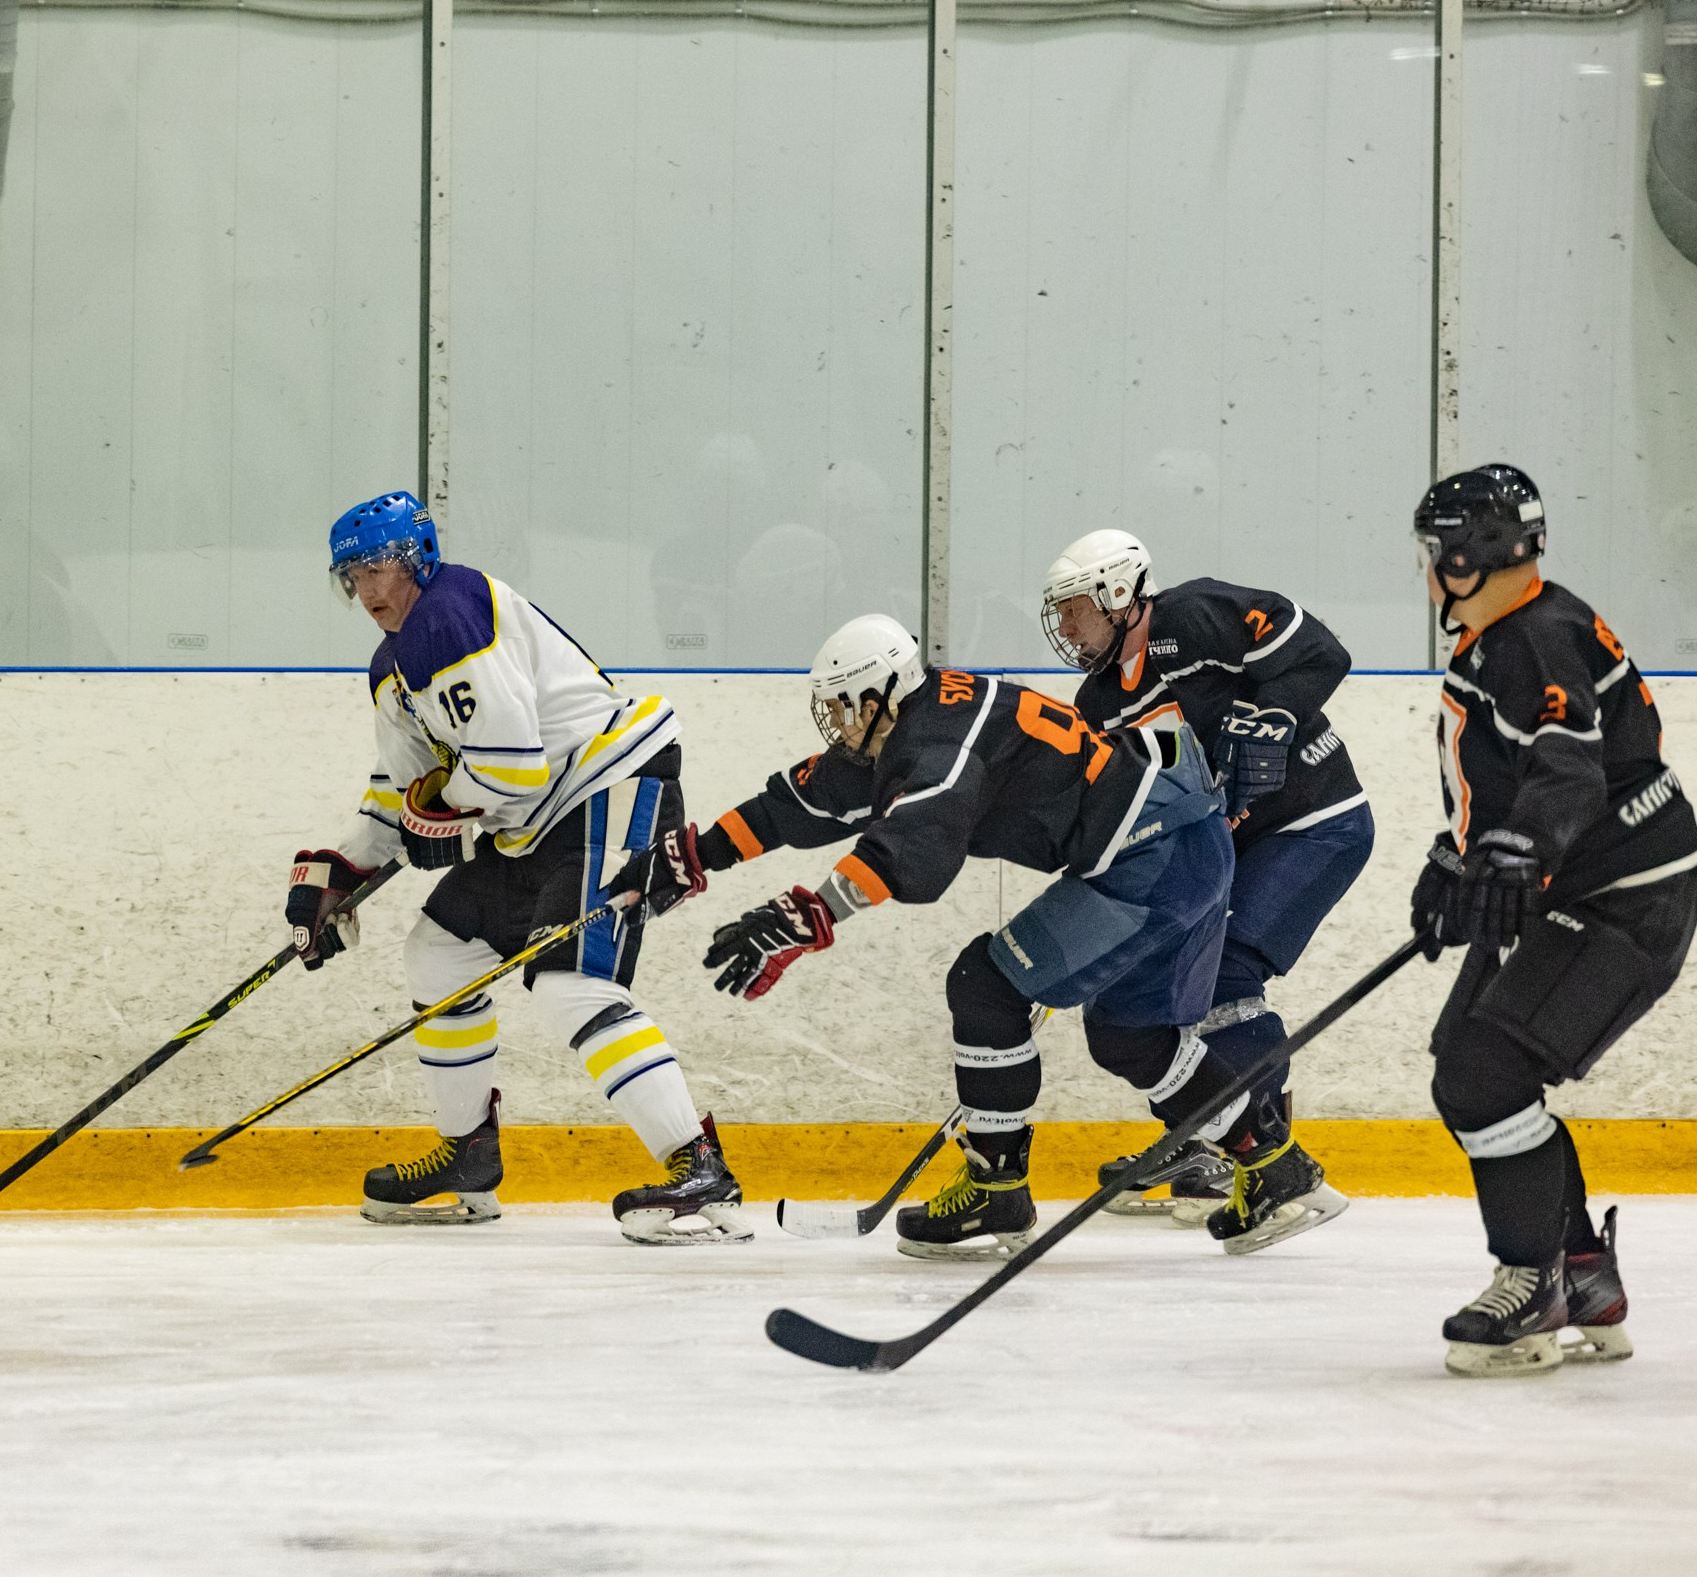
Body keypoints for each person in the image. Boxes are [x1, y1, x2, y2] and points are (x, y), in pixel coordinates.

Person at [611, 614, 1246, 1261]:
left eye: (839, 706)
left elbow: (913, 847)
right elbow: (796, 805)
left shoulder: (939, 745)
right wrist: (692, 856)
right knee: (1127, 1034)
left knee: (986, 987)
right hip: (1168, 843)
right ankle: (1275, 1161)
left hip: (1157, 856)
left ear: (876, 695)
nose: (833, 720)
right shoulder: (910, 723)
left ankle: (997, 1190)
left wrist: (804, 917)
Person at [285, 490, 749, 1244]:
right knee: (439, 948)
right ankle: (468, 1153)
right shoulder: (391, 668)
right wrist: (336, 874)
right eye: (353, 575)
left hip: (610, 785)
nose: (368, 590)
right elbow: (399, 794)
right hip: (539, 822)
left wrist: (443, 815)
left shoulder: (452, 610)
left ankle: (701, 1170)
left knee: (572, 980)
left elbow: (509, 766)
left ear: (417, 561)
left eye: (380, 568)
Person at [1409, 464, 1697, 1376]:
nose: (1426, 576)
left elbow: (1569, 769)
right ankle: (1581, 1271)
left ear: (1472, 556)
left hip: (1627, 899)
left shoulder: (1533, 636)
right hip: (1578, 888)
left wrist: (1513, 850)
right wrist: (1462, 854)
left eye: (1434, 556)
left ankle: (1531, 1278)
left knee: (1484, 1071)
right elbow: (1516, 771)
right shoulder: (1516, 633)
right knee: (1467, 1058)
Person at [1043, 532, 1372, 1253]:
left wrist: (1276, 713)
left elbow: (1324, 653)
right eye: (1060, 615)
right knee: (1164, 990)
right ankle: (1212, 1143)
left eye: (1074, 611)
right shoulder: (1097, 702)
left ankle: (1266, 1161)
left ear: (1120, 595)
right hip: (1226, 848)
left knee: (1226, 978)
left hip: (1314, 823)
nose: (1065, 629)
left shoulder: (1196, 618)